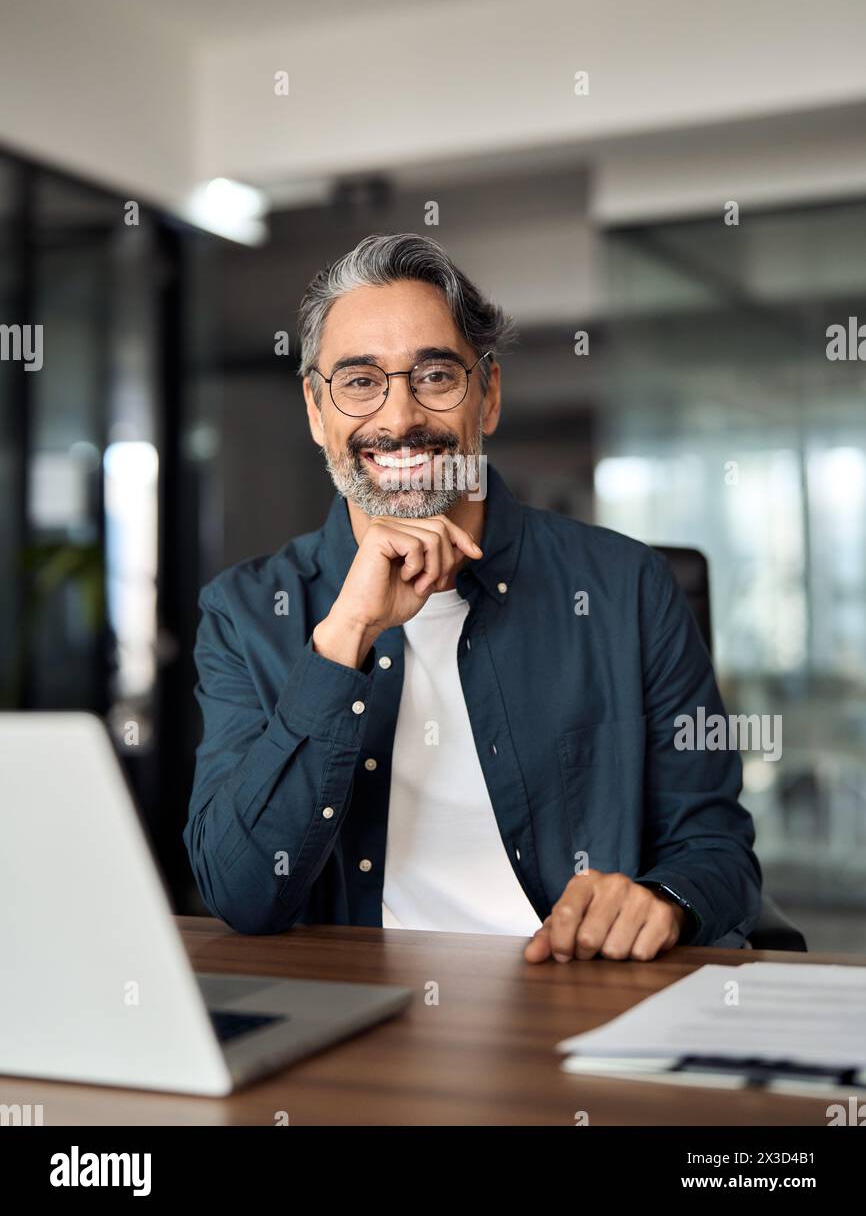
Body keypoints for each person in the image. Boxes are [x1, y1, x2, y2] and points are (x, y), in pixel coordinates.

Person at [184, 232, 762, 962]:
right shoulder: (243, 613)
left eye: (433, 376)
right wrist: (346, 634)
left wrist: (663, 902)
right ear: (315, 410)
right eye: (360, 382)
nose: (397, 420)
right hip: (355, 1021)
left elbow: (718, 852)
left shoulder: (627, 587)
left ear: (487, 395)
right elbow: (240, 892)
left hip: (573, 1003)